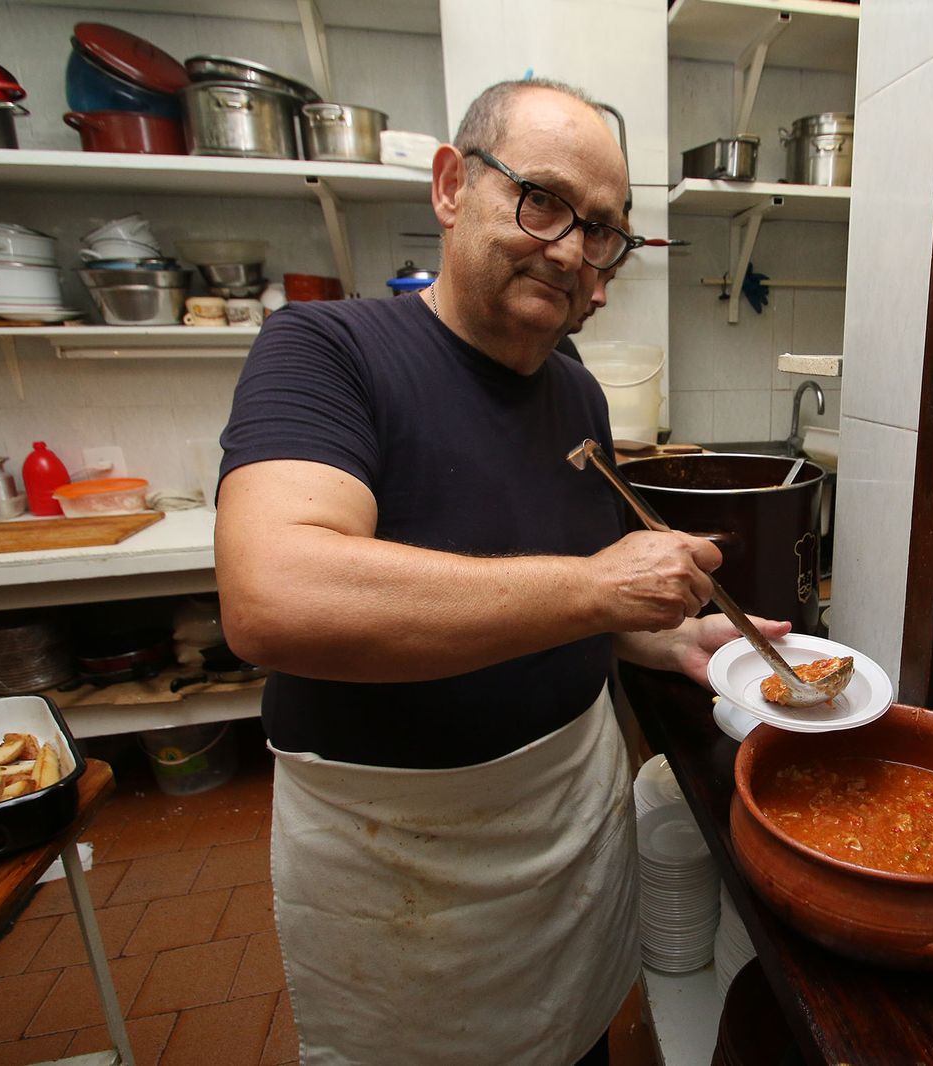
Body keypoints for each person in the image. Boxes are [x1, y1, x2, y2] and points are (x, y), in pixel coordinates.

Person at [214, 78, 787, 1066]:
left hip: (564, 823)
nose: (569, 250)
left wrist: (662, 637)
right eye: (542, 200)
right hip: (399, 856)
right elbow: (276, 596)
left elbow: (552, 604)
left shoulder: (577, 394)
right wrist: (599, 587)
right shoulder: (326, 350)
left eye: (601, 229)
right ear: (451, 186)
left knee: (574, 1043)